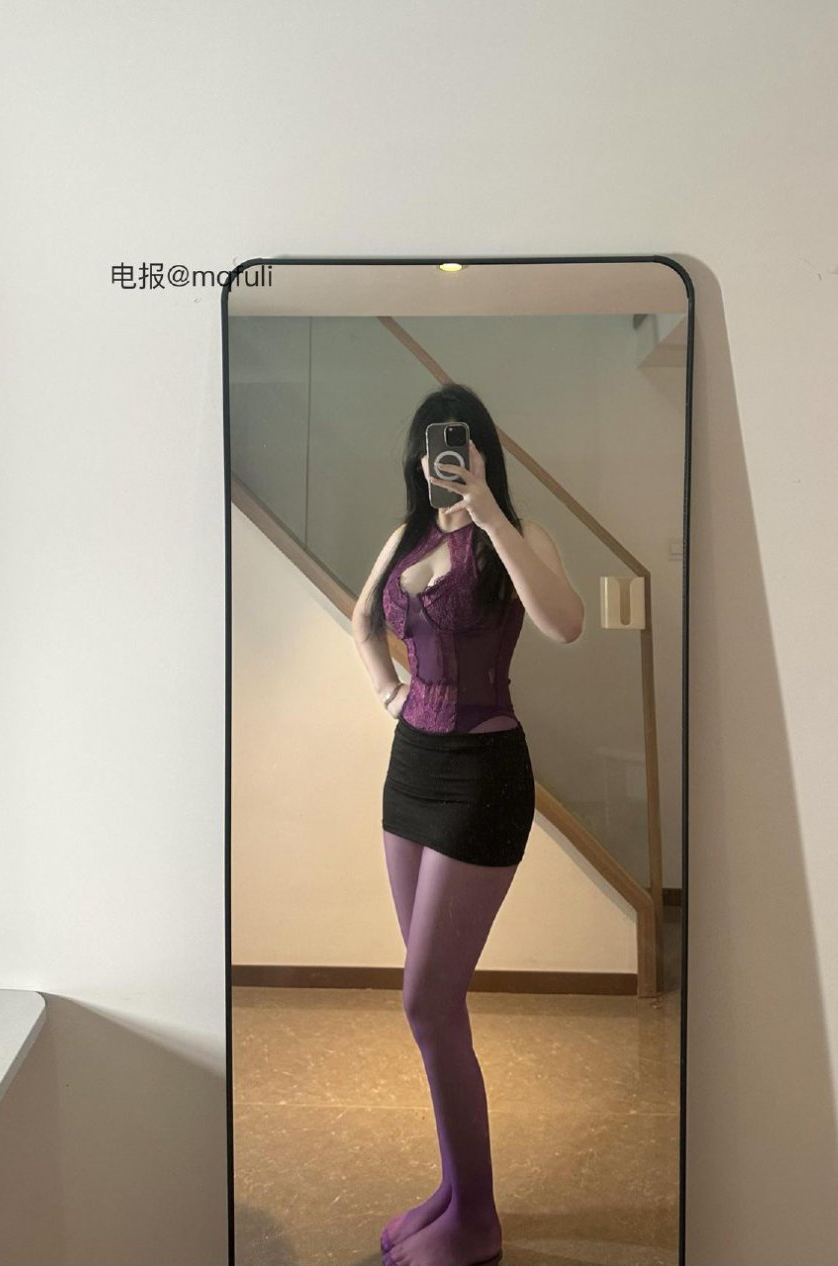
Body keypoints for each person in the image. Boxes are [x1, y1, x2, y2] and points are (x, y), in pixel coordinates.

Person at [351, 384, 584, 1266]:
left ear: (481, 450)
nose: (442, 459)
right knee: (435, 1008)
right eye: (430, 447)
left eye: (457, 445)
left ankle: (477, 1221)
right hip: (410, 772)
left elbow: (565, 625)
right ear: (417, 458)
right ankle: (454, 1191)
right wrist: (390, 693)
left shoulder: (518, 536)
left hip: (483, 776)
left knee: (426, 998)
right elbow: (363, 622)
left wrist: (486, 512)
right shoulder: (404, 538)